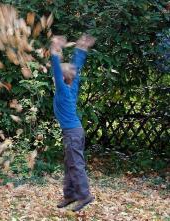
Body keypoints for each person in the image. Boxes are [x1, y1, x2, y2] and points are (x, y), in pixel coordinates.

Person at [50, 34, 96, 212]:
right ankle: (70, 195)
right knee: (70, 163)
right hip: (74, 132)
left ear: (60, 79)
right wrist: (81, 49)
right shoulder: (72, 87)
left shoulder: (62, 90)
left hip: (72, 133)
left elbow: (57, 70)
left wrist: (55, 52)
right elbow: (76, 69)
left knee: (75, 164)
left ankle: (85, 195)